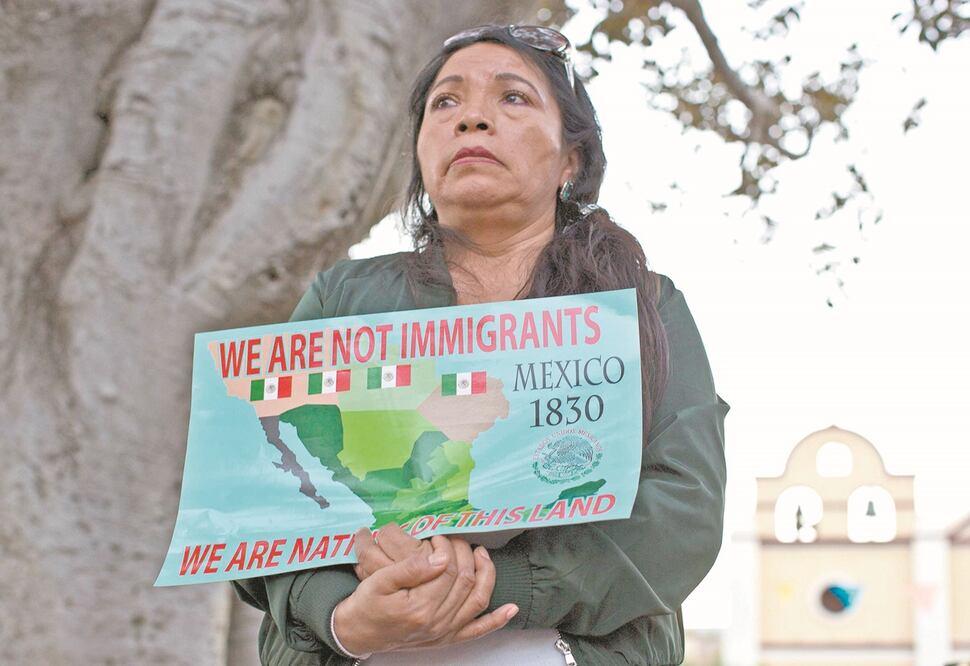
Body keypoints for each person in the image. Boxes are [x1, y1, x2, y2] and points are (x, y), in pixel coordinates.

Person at [233, 24, 729, 665]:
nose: (471, 118)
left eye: (513, 98)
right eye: (446, 102)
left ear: (570, 159)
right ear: (419, 153)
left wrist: (493, 586)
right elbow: (257, 499)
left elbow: (682, 512)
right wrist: (344, 613)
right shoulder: (340, 299)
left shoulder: (644, 308)